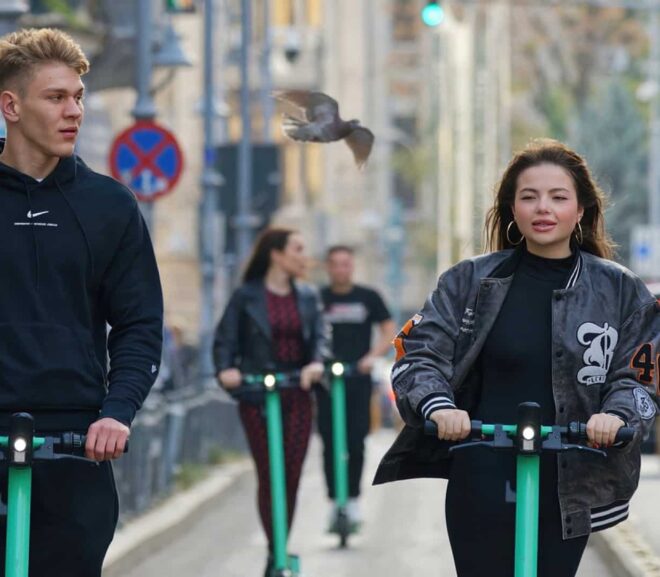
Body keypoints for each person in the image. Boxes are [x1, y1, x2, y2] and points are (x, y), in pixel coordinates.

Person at [374, 139, 659, 577]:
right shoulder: (468, 280)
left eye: (558, 197)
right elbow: (420, 354)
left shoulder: (620, 290)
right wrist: (440, 406)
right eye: (529, 197)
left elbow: (638, 376)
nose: (543, 208)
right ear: (512, 208)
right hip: (482, 470)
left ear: (580, 210)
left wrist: (617, 416)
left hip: (569, 477)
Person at [0, 28, 163, 576]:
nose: (74, 111)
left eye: (78, 98)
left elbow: (140, 324)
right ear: (11, 105)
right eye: (55, 98)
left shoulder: (110, 206)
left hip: (78, 439)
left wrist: (118, 414)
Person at [213, 227, 330, 576]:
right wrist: (226, 370)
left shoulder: (308, 297)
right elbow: (224, 341)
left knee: (291, 475)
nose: (303, 255)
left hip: (297, 393)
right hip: (257, 395)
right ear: (276, 254)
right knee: (270, 473)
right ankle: (275, 550)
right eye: (297, 248)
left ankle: (278, 546)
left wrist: (315, 364)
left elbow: (321, 337)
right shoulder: (245, 296)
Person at [316, 245, 395, 528]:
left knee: (356, 441)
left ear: (352, 266)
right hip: (326, 382)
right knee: (328, 441)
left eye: (345, 264)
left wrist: (371, 357)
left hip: (358, 380)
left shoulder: (367, 297)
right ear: (328, 267)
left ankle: (352, 500)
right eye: (335, 264)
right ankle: (333, 501)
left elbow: (389, 329)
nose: (340, 269)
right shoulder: (317, 299)